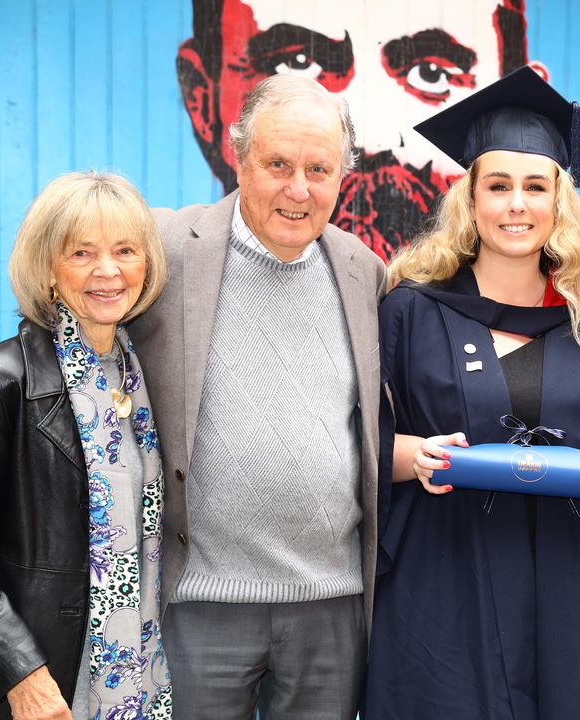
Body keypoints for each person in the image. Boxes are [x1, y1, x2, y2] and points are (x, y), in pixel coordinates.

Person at [364, 67, 580, 719]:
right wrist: (413, 455)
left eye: (536, 186)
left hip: (576, 589)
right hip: (446, 587)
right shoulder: (411, 312)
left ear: (559, 200)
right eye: (498, 185)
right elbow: (355, 443)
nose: (516, 205)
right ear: (470, 199)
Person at [131, 73, 385, 720]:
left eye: (318, 170)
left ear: (341, 179)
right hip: (200, 601)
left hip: (332, 604)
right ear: (238, 157)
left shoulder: (366, 272)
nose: (298, 189)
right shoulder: (166, 252)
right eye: (277, 164)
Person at [0, 171, 171, 719]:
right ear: (49, 268)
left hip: (135, 683)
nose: (108, 271)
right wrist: (21, 674)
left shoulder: (142, 376)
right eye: (82, 252)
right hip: (39, 690)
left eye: (126, 250)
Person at [177, 0, 543, 259]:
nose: (370, 138)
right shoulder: (158, 269)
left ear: (513, 109)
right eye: (298, 64)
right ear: (202, 102)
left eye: (431, 74)